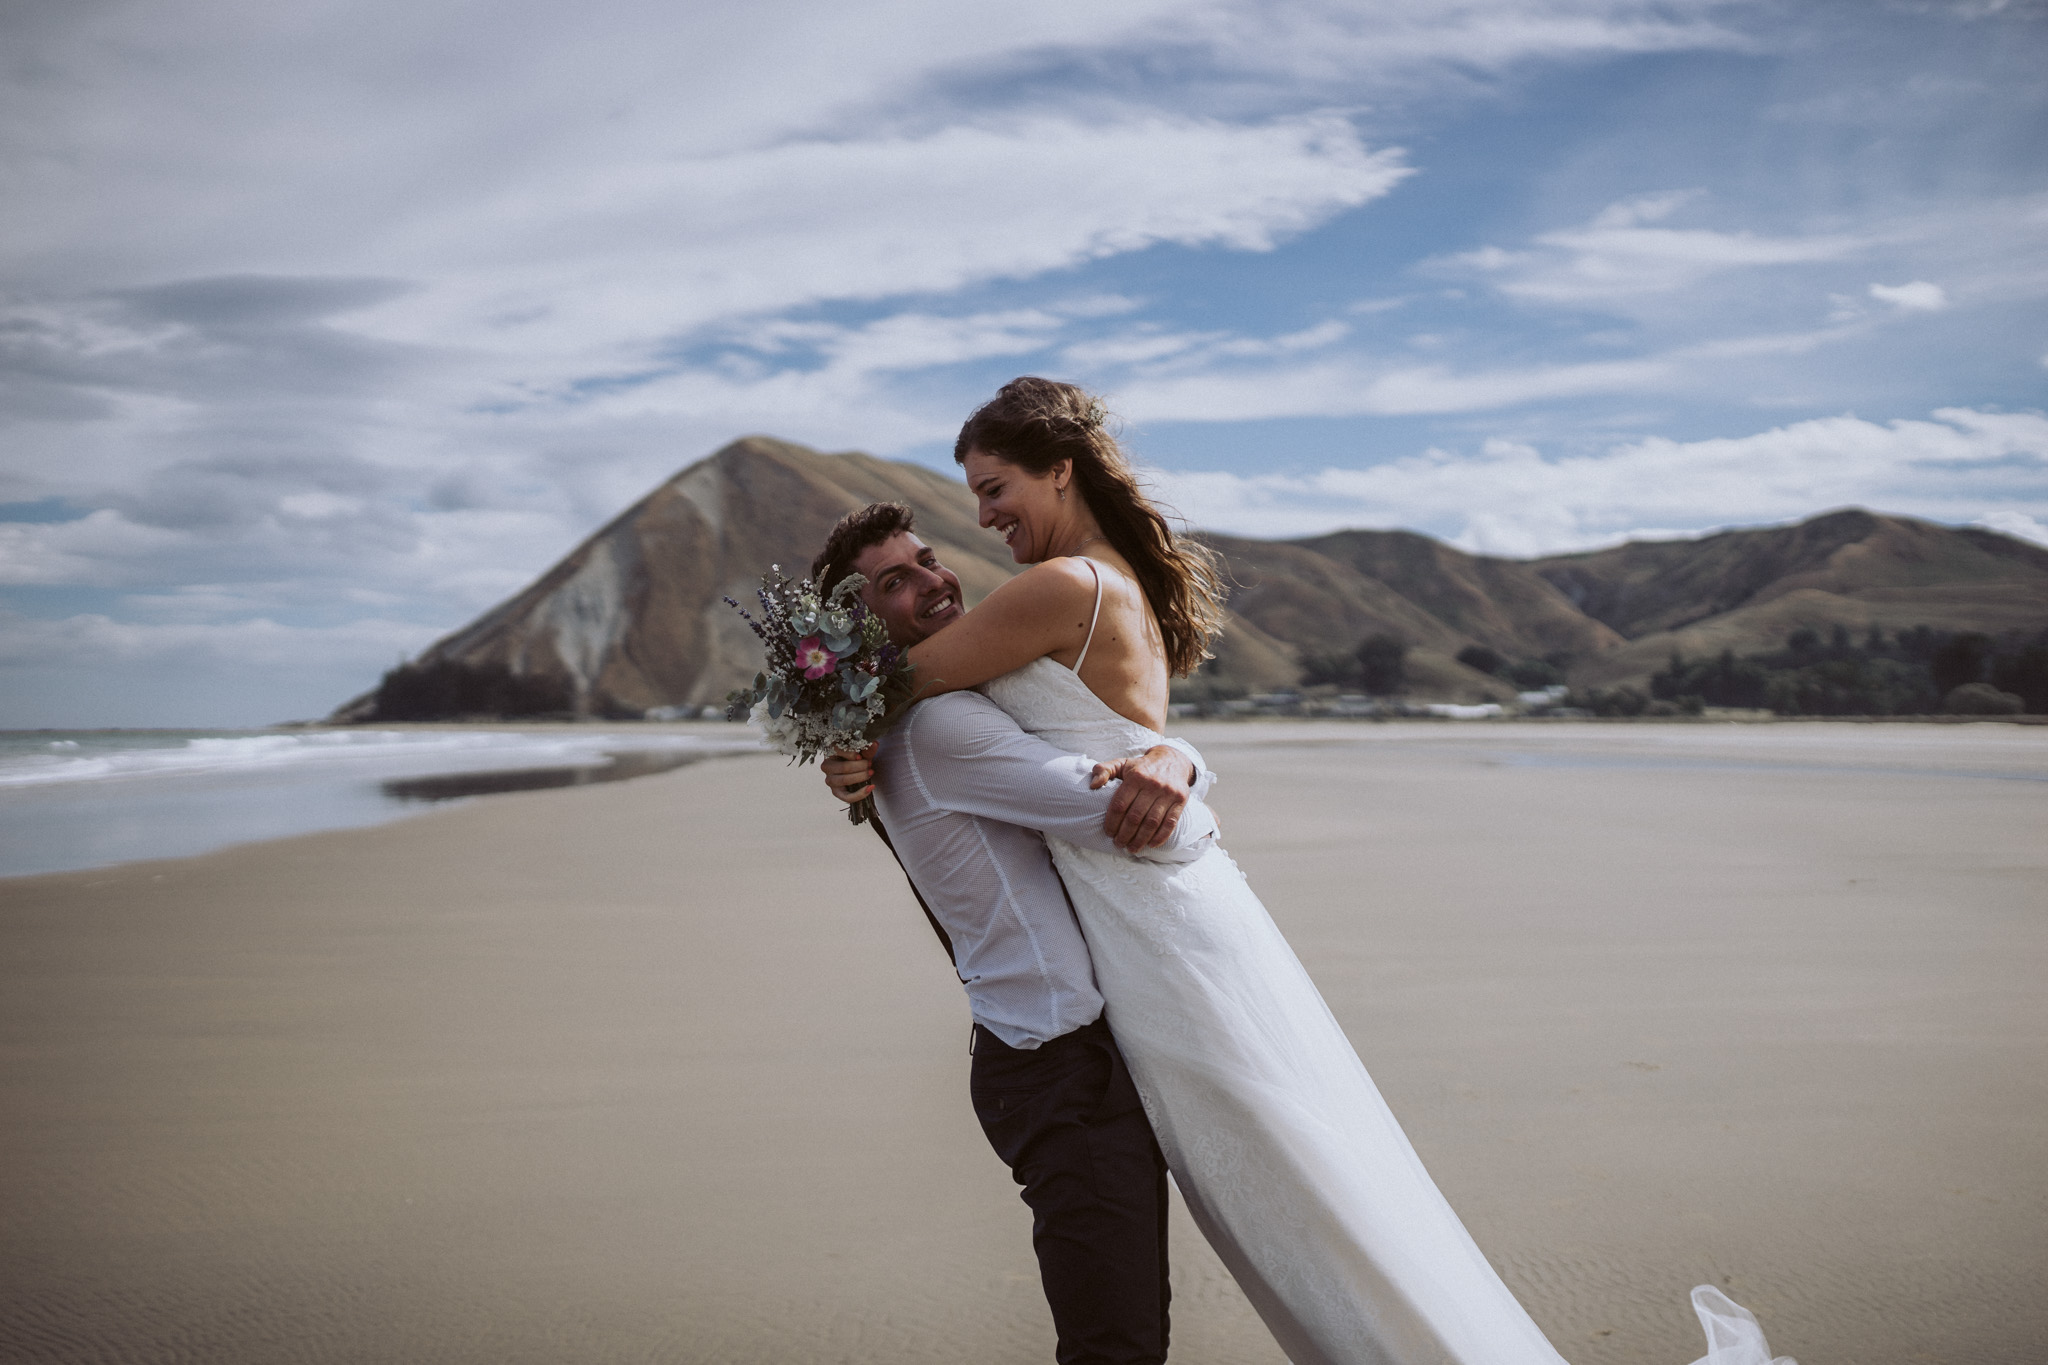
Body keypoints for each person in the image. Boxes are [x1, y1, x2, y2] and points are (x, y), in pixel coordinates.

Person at [822, 378, 1789, 1365]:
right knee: (1308, 1177)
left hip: (1147, 907)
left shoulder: (1061, 588)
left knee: (1295, 1186)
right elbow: (1085, 737)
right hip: (1153, 917)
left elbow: (891, 684)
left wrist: (843, 730)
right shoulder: (1117, 584)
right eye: (972, 501)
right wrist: (1169, 759)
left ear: (1058, 471)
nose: (981, 521)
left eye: (992, 490)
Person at [809, 501, 1223, 1365]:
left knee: (1122, 1335)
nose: (932, 580)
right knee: (1117, 1344)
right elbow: (1147, 820)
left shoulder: (919, 718)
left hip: (1049, 1059)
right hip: (1059, 1068)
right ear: (859, 627)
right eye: (896, 581)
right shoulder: (938, 725)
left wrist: (1170, 757)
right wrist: (1179, 760)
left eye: (926, 559)